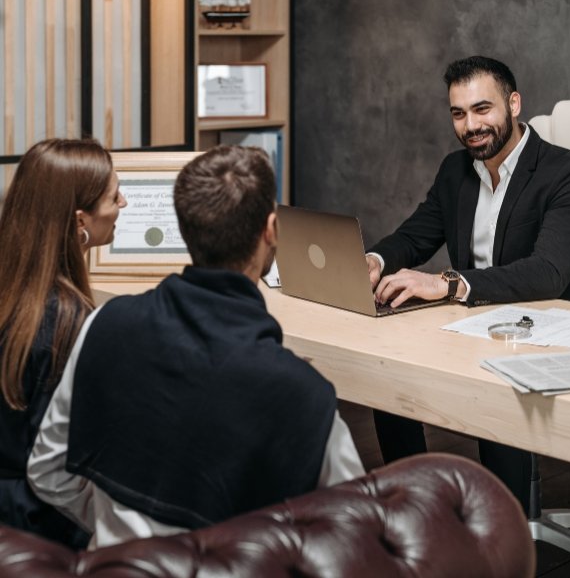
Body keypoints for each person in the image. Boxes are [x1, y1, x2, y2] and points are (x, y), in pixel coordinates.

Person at [27, 145, 365, 549]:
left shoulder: (104, 323)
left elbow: (47, 471)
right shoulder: (305, 395)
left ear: (185, 230)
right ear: (272, 230)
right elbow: (352, 537)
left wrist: (119, 526)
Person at [366, 56, 570, 513]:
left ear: (513, 104)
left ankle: (502, 529)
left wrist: (448, 284)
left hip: (557, 331)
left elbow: (548, 272)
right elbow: (415, 236)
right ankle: (416, 506)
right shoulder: (456, 171)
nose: (471, 125)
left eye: (482, 109)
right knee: (388, 372)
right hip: (480, 322)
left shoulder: (569, 173)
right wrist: (373, 260)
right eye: (458, 113)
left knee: (497, 385)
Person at [0, 138, 127, 548]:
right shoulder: (68, 321)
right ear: (78, 223)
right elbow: (60, 468)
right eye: (113, 196)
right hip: (35, 527)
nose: (122, 203)